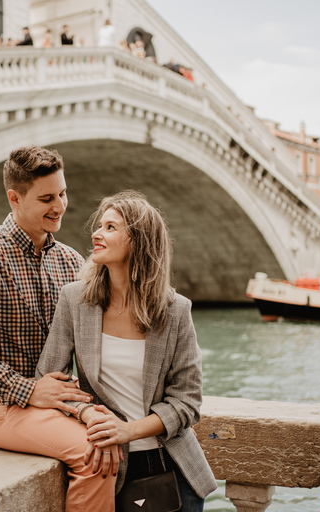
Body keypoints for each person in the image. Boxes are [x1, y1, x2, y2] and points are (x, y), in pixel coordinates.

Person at [0, 145, 119, 511]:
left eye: (63, 193)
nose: (60, 206)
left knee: (115, 436)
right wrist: (27, 389)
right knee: (93, 451)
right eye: (47, 198)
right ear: (14, 198)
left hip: (56, 404)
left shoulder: (70, 260)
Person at [36, 191, 217, 511]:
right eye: (99, 225)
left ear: (138, 241)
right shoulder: (74, 300)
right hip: (107, 470)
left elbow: (188, 402)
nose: (96, 233)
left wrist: (127, 430)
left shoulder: (175, 310)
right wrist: (86, 414)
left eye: (110, 227)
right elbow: (49, 380)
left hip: (172, 469)